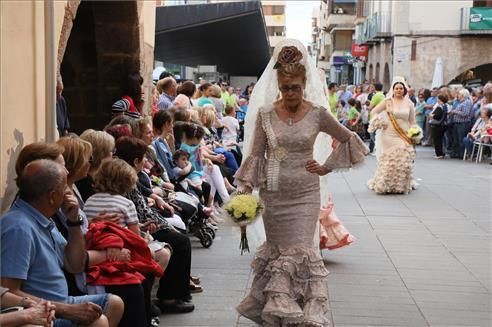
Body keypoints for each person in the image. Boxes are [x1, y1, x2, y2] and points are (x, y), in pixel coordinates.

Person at [236, 39, 368, 326]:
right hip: (274, 194)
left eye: (295, 87)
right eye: (285, 88)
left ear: (304, 83)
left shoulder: (318, 114)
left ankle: (301, 315)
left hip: (306, 195)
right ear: (278, 85)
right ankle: (282, 315)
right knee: (278, 254)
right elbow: (256, 155)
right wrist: (244, 192)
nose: (290, 93)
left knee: (300, 253)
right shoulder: (266, 114)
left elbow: (349, 139)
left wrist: (326, 167)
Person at [1, 159, 121, 327]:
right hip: (42, 310)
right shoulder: (19, 228)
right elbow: (9, 291)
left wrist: (73, 223)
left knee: (114, 304)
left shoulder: (43, 218)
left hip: (60, 301)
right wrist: (66, 310)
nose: (69, 192)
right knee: (98, 321)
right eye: (65, 187)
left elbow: (74, 265)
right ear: (52, 196)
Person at [367, 77, 418, 194]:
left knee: (404, 159)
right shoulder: (387, 101)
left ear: (404, 90)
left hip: (404, 134)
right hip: (389, 134)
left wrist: (415, 132)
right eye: (397, 88)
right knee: (391, 159)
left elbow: (412, 121)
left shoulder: (409, 103)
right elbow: (373, 111)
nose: (399, 90)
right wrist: (378, 120)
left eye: (401, 88)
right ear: (393, 90)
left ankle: (399, 185)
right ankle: (385, 185)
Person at [429, 94, 449, 159]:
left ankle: (439, 154)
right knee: (439, 140)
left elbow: (438, 116)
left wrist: (432, 116)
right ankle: (440, 153)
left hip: (438, 125)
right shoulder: (444, 106)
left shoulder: (440, 107)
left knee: (437, 140)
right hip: (441, 125)